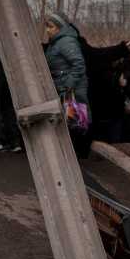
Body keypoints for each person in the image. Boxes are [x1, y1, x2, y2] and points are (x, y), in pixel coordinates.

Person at [43, 10, 90, 157]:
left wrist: (67, 85)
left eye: (50, 27)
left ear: (59, 27)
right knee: (68, 125)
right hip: (64, 88)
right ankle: (67, 158)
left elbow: (79, 65)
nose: (47, 30)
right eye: (47, 26)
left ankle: (71, 161)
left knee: (73, 124)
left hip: (71, 90)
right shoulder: (56, 42)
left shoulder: (65, 41)